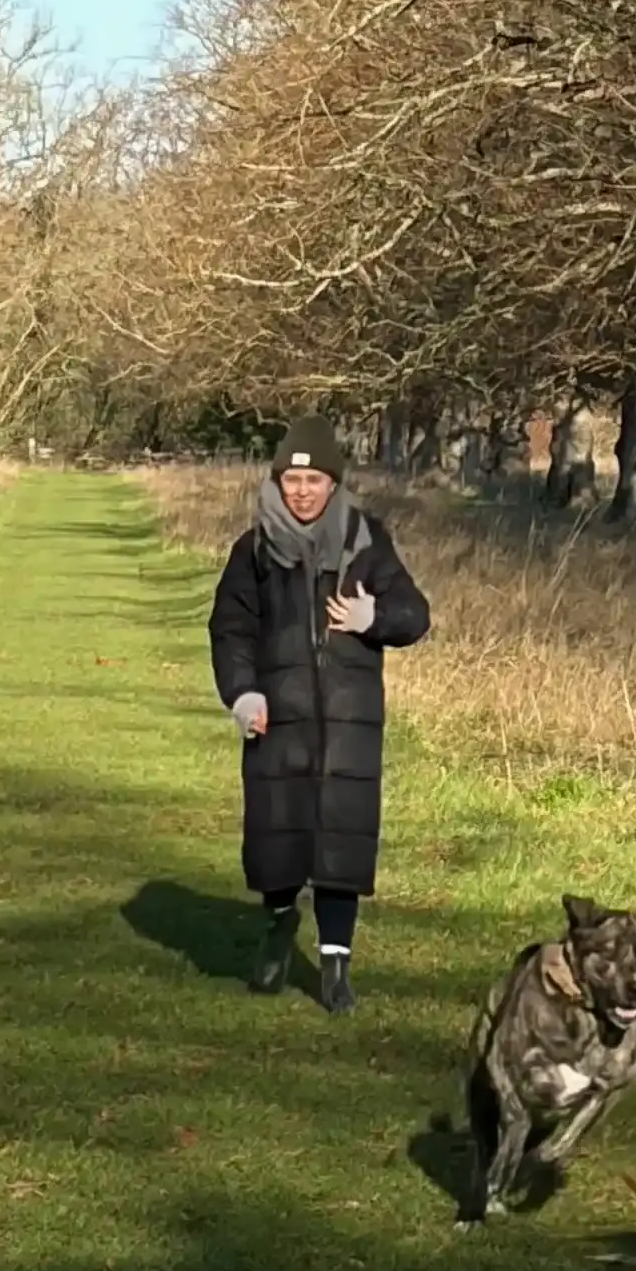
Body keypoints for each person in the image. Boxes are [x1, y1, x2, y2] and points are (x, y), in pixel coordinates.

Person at [206, 420, 430, 1013]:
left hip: (349, 726)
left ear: (334, 483)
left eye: (314, 479)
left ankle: (335, 968)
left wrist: (371, 618)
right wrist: (244, 695)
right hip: (277, 720)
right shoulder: (252, 551)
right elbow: (231, 632)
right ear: (277, 483)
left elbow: (415, 616)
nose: (302, 491)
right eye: (292, 479)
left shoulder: (367, 542)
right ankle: (279, 926)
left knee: (340, 843)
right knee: (277, 836)